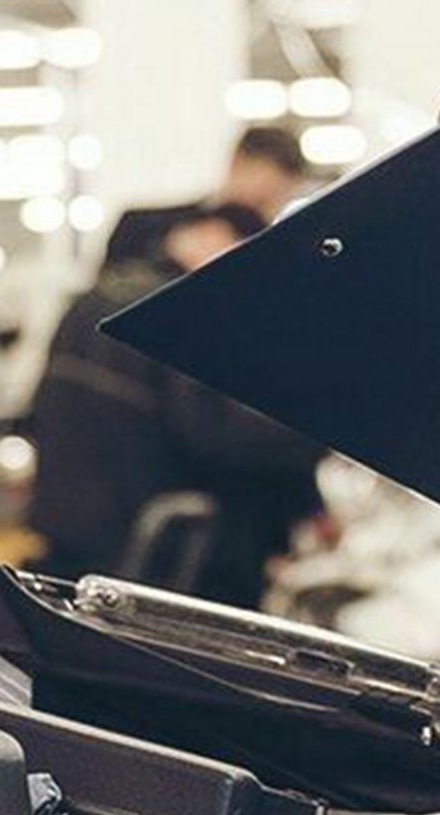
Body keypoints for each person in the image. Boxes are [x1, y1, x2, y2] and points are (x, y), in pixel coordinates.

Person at [28, 206, 324, 607]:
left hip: (68, 530)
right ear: (213, 237)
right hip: (153, 545)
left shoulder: (90, 301)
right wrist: (315, 434)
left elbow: (36, 410)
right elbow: (217, 433)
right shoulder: (181, 314)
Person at [100, 126, 309, 275]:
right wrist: (169, 253)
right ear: (236, 164)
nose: (259, 212)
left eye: (274, 201)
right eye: (259, 197)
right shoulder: (141, 226)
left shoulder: (285, 254)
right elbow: (103, 305)